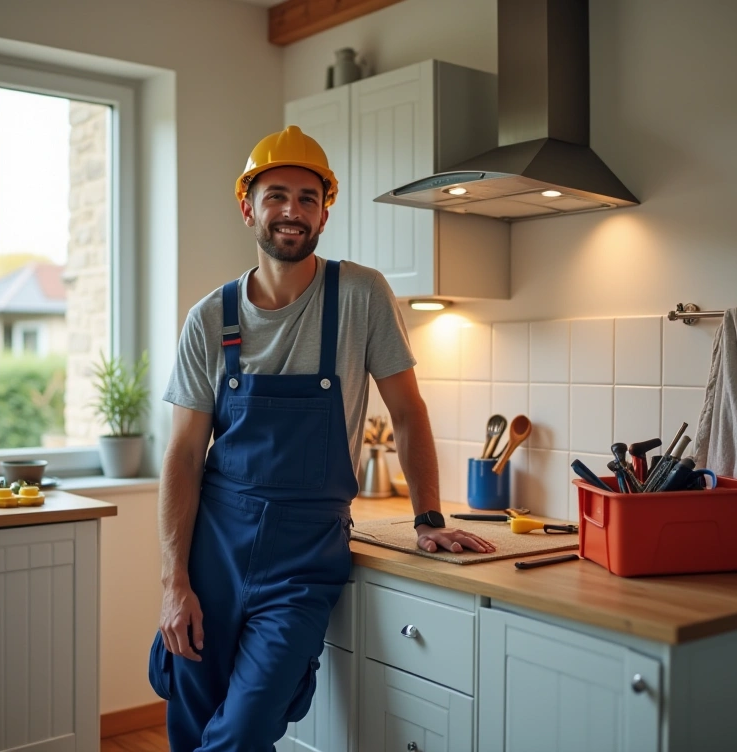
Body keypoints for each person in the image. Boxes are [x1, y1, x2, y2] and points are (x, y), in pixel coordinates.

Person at [148, 125, 493, 751]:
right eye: (276, 195)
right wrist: (175, 582)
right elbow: (182, 455)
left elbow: (409, 411)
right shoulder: (209, 318)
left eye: (308, 198)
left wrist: (429, 516)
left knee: (247, 725)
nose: (291, 211)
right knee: (191, 719)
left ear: (325, 212)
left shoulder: (361, 294)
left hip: (304, 557)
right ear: (247, 206)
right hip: (213, 552)